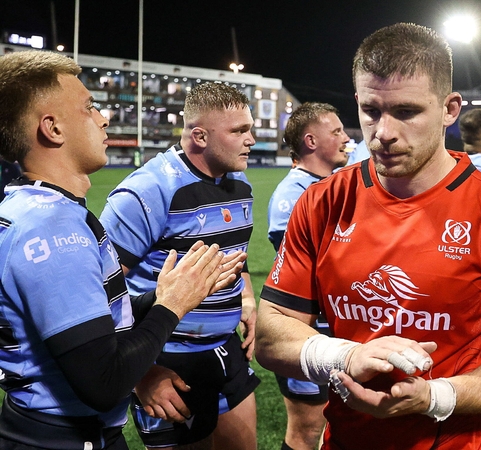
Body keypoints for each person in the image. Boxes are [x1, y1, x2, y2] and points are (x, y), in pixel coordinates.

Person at [255, 23, 481, 450]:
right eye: (370, 110)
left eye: (406, 111)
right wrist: (345, 355)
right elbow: (271, 334)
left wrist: (436, 397)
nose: (383, 132)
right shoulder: (322, 202)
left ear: (450, 108)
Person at [0, 50, 244, 449]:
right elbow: (105, 381)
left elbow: (92, 326)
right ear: (53, 129)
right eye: (89, 107)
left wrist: (164, 294)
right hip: (61, 437)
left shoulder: (39, 208)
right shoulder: (51, 228)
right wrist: (171, 307)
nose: (104, 117)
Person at [100, 82, 259, 450]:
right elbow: (100, 293)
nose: (250, 139)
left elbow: (235, 249)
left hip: (225, 351)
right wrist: (139, 375)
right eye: (239, 131)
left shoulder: (238, 180)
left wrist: (246, 298)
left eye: (249, 128)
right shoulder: (146, 191)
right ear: (199, 136)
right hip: (167, 362)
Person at [268, 102, 349, 450]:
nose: (347, 138)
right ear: (312, 142)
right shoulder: (292, 195)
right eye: (337, 132)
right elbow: (309, 269)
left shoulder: (328, 184)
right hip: (307, 334)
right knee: (306, 430)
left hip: (336, 331)